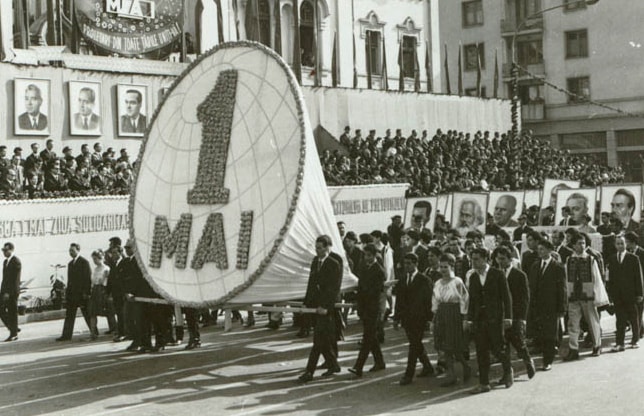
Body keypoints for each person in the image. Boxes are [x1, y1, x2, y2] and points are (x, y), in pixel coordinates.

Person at [466, 248, 513, 394]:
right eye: (472, 259)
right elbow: (472, 300)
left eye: (477, 259)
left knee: (498, 347)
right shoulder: (473, 277)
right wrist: (469, 319)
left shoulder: (497, 274)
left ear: (486, 259)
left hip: (495, 318)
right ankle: (484, 383)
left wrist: (508, 317)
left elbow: (506, 297)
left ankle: (507, 371)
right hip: (480, 319)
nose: (474, 262)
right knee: (481, 350)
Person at [298, 235, 343, 383]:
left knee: (318, 341)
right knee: (323, 339)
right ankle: (334, 364)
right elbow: (311, 283)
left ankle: (309, 372)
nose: (317, 251)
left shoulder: (333, 264)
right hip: (316, 306)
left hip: (326, 307)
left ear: (327, 247)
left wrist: (325, 307)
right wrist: (306, 303)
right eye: (316, 248)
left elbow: (333, 289)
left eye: (320, 248)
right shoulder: (315, 262)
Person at [563, 233, 606, 360]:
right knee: (573, 323)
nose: (581, 246)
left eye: (583, 243)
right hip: (573, 296)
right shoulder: (568, 260)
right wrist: (566, 296)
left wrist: (598, 296)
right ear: (573, 245)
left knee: (593, 322)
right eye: (579, 243)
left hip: (588, 296)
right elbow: (566, 279)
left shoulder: (590, 260)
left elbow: (597, 279)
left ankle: (597, 345)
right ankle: (574, 349)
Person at [495, 246, 535, 380]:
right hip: (500, 316)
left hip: (516, 315)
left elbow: (525, 298)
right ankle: (507, 372)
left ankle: (528, 361)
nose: (500, 261)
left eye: (503, 259)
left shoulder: (519, 275)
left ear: (510, 259)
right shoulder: (495, 274)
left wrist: (523, 318)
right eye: (498, 258)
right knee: (502, 345)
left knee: (518, 342)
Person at [431, 253, 470, 387]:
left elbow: (465, 300)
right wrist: (434, 319)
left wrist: (464, 318)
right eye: (441, 267)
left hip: (454, 314)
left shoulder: (457, 282)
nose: (443, 270)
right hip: (442, 314)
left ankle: (466, 367)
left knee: (455, 347)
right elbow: (435, 301)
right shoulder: (437, 283)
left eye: (446, 267)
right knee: (445, 347)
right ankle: (451, 375)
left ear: (452, 267)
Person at [396, 252, 434, 386]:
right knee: (416, 344)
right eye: (405, 263)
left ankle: (408, 374)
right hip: (407, 318)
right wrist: (396, 317)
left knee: (413, 345)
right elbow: (399, 300)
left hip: (420, 318)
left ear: (416, 264)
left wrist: (430, 319)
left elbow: (429, 301)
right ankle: (428, 366)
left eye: (409, 263)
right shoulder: (402, 279)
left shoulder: (424, 280)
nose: (406, 266)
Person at [348, 244, 386, 377]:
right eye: (365, 255)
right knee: (372, 337)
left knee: (367, 338)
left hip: (373, 308)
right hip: (364, 307)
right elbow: (360, 286)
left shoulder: (379, 271)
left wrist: (363, 293)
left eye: (369, 255)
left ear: (375, 255)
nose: (366, 258)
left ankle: (358, 367)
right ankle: (380, 362)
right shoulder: (363, 267)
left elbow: (375, 292)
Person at [529, 239, 567, 371]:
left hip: (551, 306)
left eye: (542, 249)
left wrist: (561, 308)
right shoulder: (535, 266)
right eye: (538, 249)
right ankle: (545, 356)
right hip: (537, 305)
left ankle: (548, 360)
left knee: (550, 334)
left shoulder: (558, 267)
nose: (540, 252)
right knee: (540, 333)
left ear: (550, 250)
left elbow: (562, 289)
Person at [607, 235, 643, 351]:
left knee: (634, 317)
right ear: (615, 245)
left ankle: (635, 340)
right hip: (618, 295)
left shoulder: (633, 258)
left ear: (626, 244)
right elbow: (610, 278)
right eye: (618, 244)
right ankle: (620, 343)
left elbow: (638, 277)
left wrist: (640, 294)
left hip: (631, 294)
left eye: (622, 243)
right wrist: (610, 295)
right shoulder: (612, 259)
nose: (620, 246)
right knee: (620, 319)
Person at [57, 243, 92, 341]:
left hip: (81, 294)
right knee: (69, 316)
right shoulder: (70, 264)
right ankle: (66, 335)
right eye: (69, 251)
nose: (70, 252)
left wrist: (86, 293)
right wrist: (67, 293)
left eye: (72, 250)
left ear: (78, 250)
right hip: (72, 295)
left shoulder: (84, 262)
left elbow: (87, 279)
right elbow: (70, 281)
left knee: (87, 314)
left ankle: (94, 332)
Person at [88, 250, 116, 340]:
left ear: (101, 258)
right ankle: (93, 332)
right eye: (93, 259)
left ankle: (114, 330)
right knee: (92, 312)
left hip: (103, 290)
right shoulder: (95, 269)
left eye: (95, 259)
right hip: (95, 291)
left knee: (109, 311)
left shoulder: (106, 268)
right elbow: (93, 281)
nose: (94, 261)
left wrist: (103, 278)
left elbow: (106, 281)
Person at [625, 231, 644, 340]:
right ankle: (640, 328)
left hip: (641, 286)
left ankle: (637, 333)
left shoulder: (642, 253)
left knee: (639, 309)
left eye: (626, 242)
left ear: (632, 242)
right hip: (630, 287)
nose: (625, 244)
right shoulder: (626, 253)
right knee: (632, 310)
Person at [0, 242, 21, 341]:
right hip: (5, 292)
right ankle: (13, 328)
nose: (4, 252)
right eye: (3, 250)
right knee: (1, 310)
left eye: (6, 250)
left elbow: (14, 279)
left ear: (11, 250)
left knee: (12, 312)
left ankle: (14, 334)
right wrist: (3, 291)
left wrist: (8, 292)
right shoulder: (5, 262)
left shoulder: (16, 261)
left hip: (12, 292)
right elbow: (5, 279)